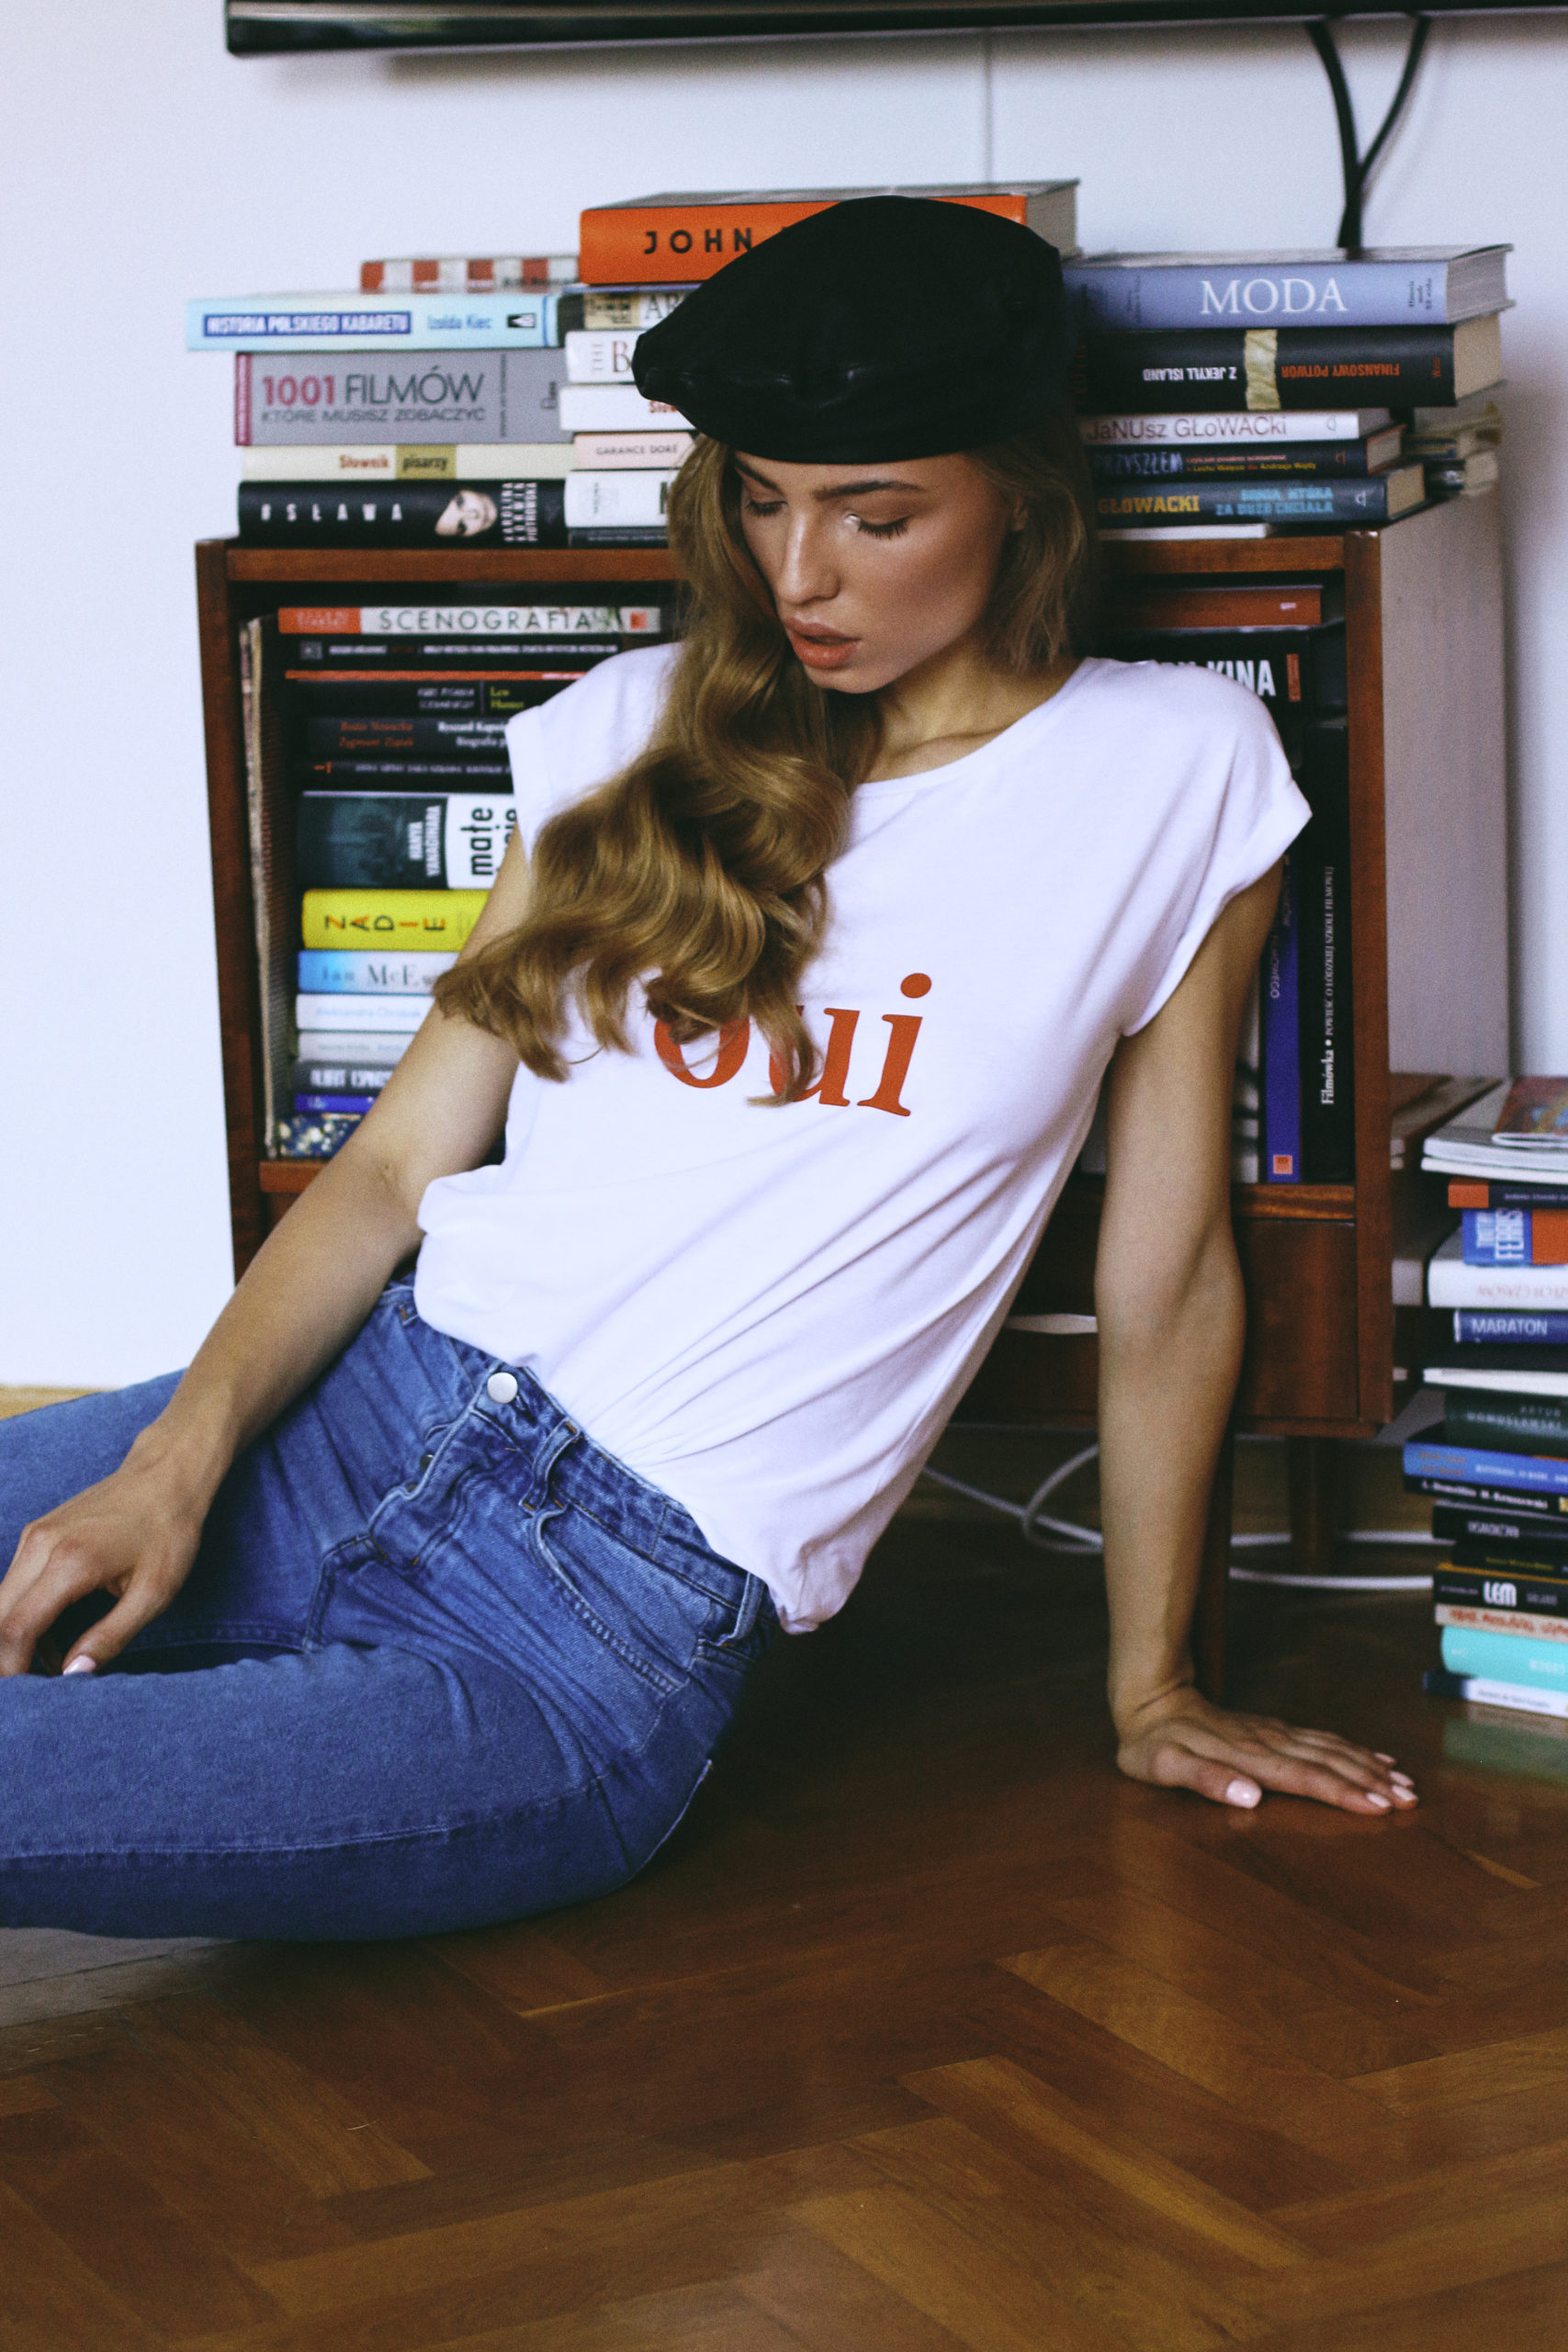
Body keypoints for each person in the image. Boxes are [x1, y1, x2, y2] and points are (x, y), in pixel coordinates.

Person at [0, 199, 1416, 1944]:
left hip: (586, 1637)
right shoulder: (631, 731)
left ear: (1019, 500)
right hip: (360, 1412)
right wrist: (175, 1466)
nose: (798, 573)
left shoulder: (1175, 769)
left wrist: (1153, 1688)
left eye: (875, 516)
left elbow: (1169, 1268)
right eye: (759, 500)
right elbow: (390, 1170)